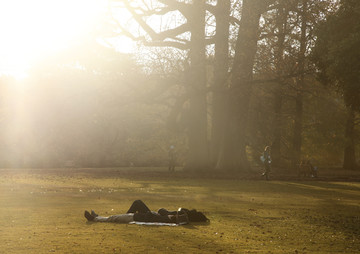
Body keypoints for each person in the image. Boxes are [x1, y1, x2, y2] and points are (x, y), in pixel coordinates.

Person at [84, 200, 209, 224]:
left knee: (114, 219)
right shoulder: (178, 217)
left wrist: (174, 214)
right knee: (116, 218)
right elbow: (162, 214)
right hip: (146, 216)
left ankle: (95, 218)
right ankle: (96, 217)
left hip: (143, 217)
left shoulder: (180, 218)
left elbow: (162, 213)